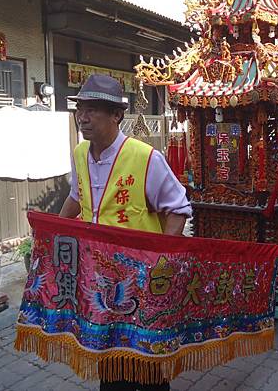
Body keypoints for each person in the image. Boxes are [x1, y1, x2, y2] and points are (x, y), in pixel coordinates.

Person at [59, 74, 191, 391]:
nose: (83, 117)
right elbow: (77, 197)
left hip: (141, 283)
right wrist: (52, 229)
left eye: (93, 109)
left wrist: (159, 263)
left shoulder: (146, 159)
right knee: (110, 362)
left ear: (117, 115)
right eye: (81, 108)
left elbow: (179, 209)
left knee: (147, 367)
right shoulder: (79, 155)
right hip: (100, 282)